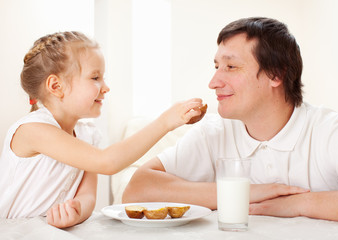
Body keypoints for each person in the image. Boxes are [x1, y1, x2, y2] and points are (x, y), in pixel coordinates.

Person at [123, 17, 338, 224]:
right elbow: (136, 190)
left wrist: (299, 204)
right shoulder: (214, 132)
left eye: (231, 66)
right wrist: (246, 192)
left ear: (275, 74)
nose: (214, 82)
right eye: (216, 66)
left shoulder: (331, 130)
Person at [0, 31, 204, 228]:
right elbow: (107, 162)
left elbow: (87, 195)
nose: (105, 87)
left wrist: (77, 210)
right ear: (56, 86)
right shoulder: (32, 130)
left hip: (52, 230)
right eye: (95, 78)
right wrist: (165, 122)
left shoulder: (88, 135)